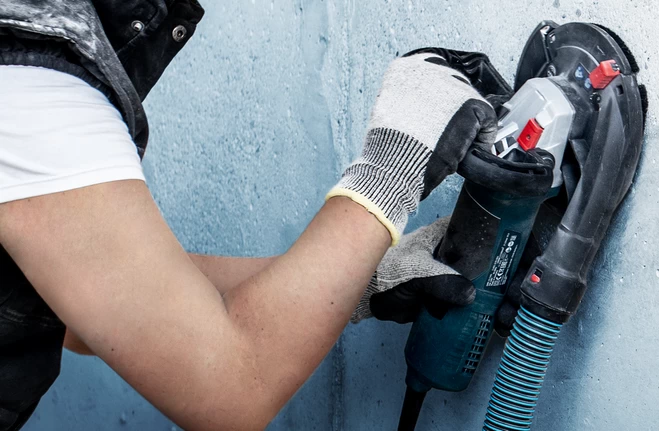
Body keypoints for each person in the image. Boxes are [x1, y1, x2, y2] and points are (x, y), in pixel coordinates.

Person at [0, 1, 522, 430]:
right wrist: (391, 167)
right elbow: (228, 389)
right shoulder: (32, 84)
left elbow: (86, 302)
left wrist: (364, 279)